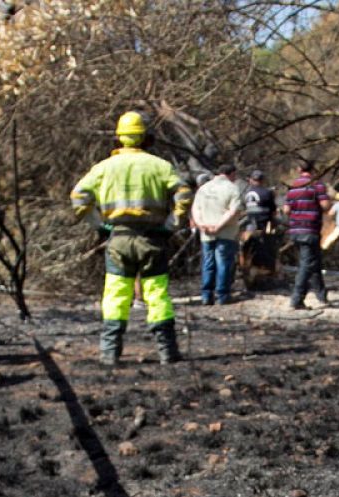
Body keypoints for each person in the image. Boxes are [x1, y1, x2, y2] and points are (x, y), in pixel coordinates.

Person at [70, 110, 192, 366]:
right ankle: (167, 352)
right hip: (152, 239)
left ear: (119, 137)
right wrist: (172, 223)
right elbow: (183, 193)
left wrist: (100, 225)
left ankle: (109, 353)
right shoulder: (160, 166)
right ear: (146, 138)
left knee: (116, 294)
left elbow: (78, 196)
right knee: (156, 294)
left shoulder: (104, 167)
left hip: (119, 239)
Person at [190, 162, 243, 306]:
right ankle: (222, 295)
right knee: (223, 262)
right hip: (226, 232)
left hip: (206, 232)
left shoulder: (203, 188)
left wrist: (201, 224)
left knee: (208, 263)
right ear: (232, 174)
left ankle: (206, 295)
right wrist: (218, 226)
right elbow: (233, 212)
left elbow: (196, 209)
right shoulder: (232, 189)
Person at [282, 159, 330, 309]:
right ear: (313, 169)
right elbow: (325, 205)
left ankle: (322, 295)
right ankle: (297, 299)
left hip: (295, 229)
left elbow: (286, 210)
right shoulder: (317, 185)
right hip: (310, 229)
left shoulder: (293, 187)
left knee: (313, 262)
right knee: (307, 264)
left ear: (299, 169)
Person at [239, 168, 278, 289]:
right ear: (262, 180)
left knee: (247, 252)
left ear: (252, 180)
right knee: (265, 252)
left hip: (248, 226)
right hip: (263, 226)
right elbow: (273, 211)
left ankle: (247, 277)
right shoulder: (267, 192)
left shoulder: (246, 194)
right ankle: (264, 277)